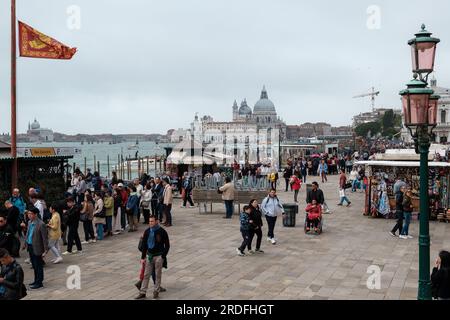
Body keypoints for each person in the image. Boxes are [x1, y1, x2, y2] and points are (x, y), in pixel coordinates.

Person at [135, 215, 170, 300]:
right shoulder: (147, 231)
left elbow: (167, 245)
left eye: (152, 221)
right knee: (146, 274)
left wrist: (163, 256)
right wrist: (143, 258)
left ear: (156, 221)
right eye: (150, 221)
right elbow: (144, 246)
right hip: (149, 256)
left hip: (158, 256)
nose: (150, 223)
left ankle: (156, 291)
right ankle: (143, 292)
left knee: (158, 274)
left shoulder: (162, 232)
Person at [22, 207, 48, 289]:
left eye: (30, 214)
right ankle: (36, 280)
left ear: (35, 214)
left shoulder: (41, 224)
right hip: (30, 246)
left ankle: (39, 282)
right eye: (28, 214)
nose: (29, 215)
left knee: (38, 265)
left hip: (37, 247)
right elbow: (28, 234)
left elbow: (45, 238)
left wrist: (45, 250)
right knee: (34, 265)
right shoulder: (30, 222)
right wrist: (25, 243)